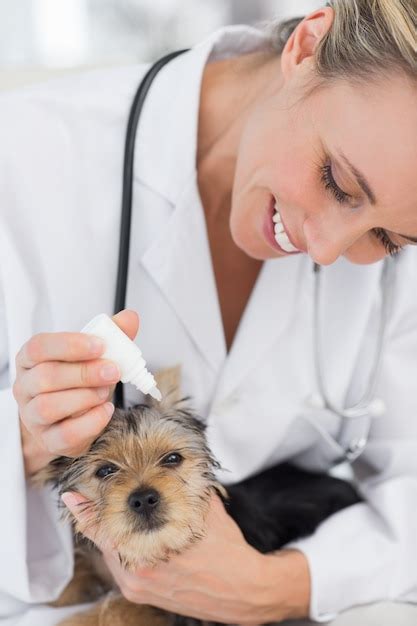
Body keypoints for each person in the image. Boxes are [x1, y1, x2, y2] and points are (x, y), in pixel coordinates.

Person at [1, 1, 416, 624]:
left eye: (386, 241)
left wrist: (281, 586)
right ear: (306, 47)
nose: (326, 250)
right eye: (336, 181)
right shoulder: (26, 160)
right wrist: (31, 444)